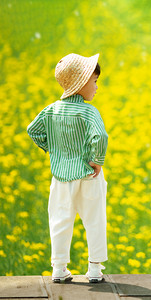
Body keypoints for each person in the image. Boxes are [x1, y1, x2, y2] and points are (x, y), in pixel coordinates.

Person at [27, 53, 108, 283]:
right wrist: (96, 159)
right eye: (94, 81)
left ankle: (59, 268)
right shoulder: (89, 111)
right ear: (80, 83)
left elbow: (33, 130)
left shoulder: (52, 110)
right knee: (94, 219)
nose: (96, 87)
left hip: (61, 176)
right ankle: (94, 269)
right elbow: (100, 135)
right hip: (89, 175)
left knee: (60, 219)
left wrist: (52, 149)